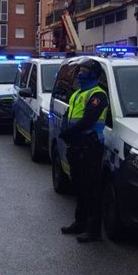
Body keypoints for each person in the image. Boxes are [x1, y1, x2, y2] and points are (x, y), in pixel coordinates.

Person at [59, 61, 110, 243]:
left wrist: (69, 133)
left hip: (90, 146)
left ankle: (93, 229)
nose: (80, 73)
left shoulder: (98, 95)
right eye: (80, 70)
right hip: (76, 145)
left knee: (91, 188)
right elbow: (68, 115)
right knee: (78, 187)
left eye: (84, 70)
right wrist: (65, 131)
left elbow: (89, 120)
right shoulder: (77, 94)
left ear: (94, 74)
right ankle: (79, 223)